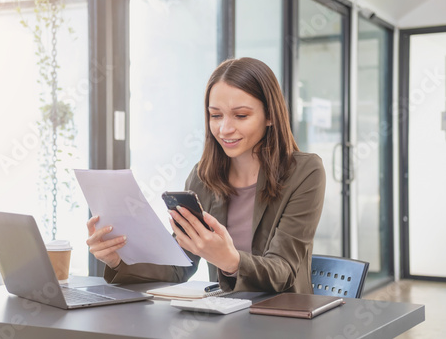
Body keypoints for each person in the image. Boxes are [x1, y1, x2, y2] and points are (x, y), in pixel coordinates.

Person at [86, 57, 326, 294]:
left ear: (270, 115)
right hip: (227, 315)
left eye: (241, 116)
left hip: (284, 320)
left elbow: (283, 271)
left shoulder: (305, 172)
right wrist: (118, 259)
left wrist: (231, 261)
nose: (225, 129)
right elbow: (178, 266)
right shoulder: (203, 176)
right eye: (216, 115)